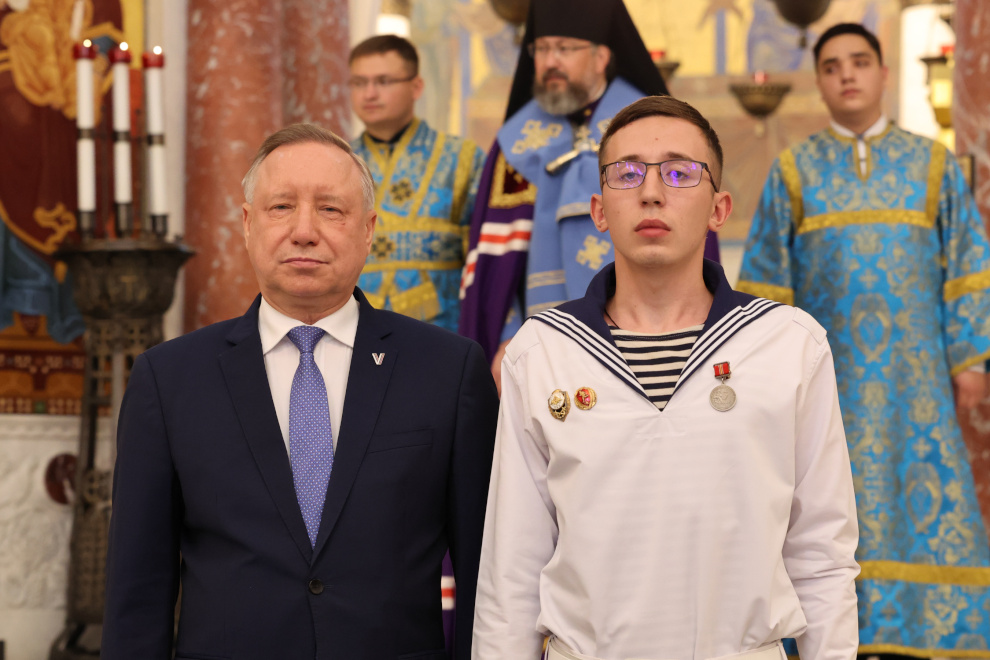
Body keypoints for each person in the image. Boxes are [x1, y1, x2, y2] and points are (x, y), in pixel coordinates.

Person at [473, 95, 860, 660]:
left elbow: (822, 554)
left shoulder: (788, 344)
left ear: (719, 209)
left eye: (680, 173)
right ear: (599, 210)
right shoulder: (543, 351)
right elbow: (512, 568)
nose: (651, 192)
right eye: (627, 174)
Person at [102, 123, 499, 660]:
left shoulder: (448, 371)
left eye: (331, 209)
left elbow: (486, 576)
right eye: (281, 207)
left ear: (368, 229)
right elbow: (136, 592)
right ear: (248, 225)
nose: (304, 231)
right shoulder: (169, 379)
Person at [737, 23, 990, 657]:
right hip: (829, 383)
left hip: (918, 385)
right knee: (824, 506)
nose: (846, 74)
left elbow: (968, 264)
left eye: (858, 62)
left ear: (883, 74)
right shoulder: (794, 170)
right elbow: (767, 280)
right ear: (820, 82)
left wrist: (969, 358)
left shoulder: (933, 164)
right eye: (831, 66)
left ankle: (923, 634)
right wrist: (768, 377)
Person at [459, 0, 720, 388]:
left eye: (564, 48)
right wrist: (507, 334)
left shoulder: (654, 132)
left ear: (601, 57)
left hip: (653, 332)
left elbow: (691, 228)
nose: (550, 61)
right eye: (542, 49)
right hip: (541, 346)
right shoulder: (516, 144)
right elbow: (497, 256)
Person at [348, 35, 484, 333]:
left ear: (416, 87)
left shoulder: (461, 158)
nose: (369, 93)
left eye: (383, 81)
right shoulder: (337, 162)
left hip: (442, 329)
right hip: (352, 328)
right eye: (359, 83)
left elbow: (486, 259)